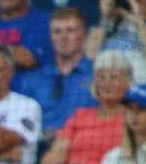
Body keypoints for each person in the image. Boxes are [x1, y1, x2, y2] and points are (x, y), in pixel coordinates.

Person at [36, 50, 128, 164]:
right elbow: (57, 153)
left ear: (128, 83)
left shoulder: (131, 119)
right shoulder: (80, 115)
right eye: (101, 78)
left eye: (114, 77)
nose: (107, 84)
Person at [19, 8, 99, 140]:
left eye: (70, 31)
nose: (63, 37)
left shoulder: (98, 75)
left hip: (86, 146)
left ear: (84, 34)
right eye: (57, 32)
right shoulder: (32, 79)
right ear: (50, 36)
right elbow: (21, 121)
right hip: (39, 146)